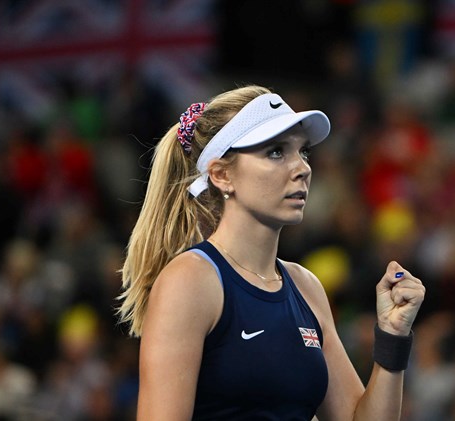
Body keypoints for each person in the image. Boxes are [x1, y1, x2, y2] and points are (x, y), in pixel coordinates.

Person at [116, 85, 425, 420]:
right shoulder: (190, 281)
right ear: (221, 175)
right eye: (276, 152)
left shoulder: (306, 286)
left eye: (302, 152)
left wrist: (392, 338)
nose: (302, 168)